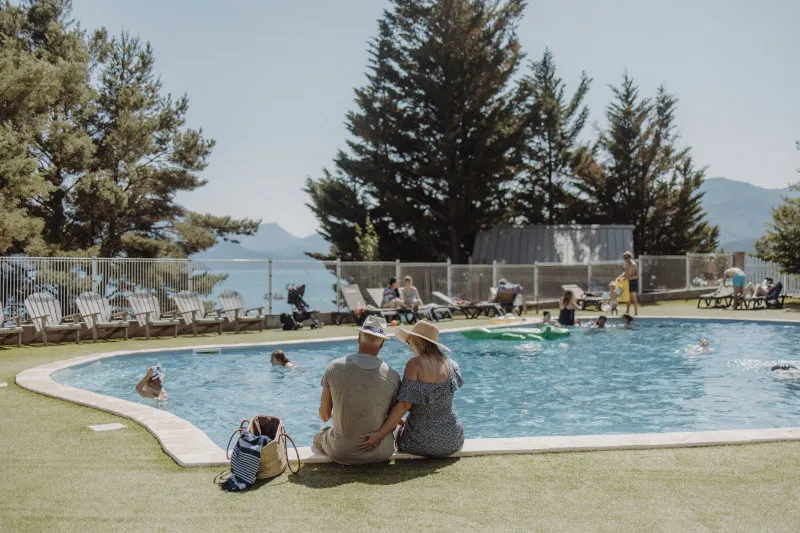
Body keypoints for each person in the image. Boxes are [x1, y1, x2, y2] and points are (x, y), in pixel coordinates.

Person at [359, 321, 464, 458]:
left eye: (409, 342)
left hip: (418, 442)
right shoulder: (453, 365)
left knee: (397, 431)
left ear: (416, 340)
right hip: (452, 440)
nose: (409, 347)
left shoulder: (414, 364)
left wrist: (380, 434)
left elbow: (404, 404)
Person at [314, 316, 401, 465]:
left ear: (359, 338)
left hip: (340, 451)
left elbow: (324, 416)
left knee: (319, 435)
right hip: (381, 452)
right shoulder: (393, 375)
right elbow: (393, 418)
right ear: (381, 345)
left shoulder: (334, 367)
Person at [618, 252, 639, 316]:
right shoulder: (627, 264)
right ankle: (627, 312)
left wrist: (627, 278)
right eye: (624, 258)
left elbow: (636, 276)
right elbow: (625, 273)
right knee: (628, 298)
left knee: (634, 298)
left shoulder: (633, 265)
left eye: (627, 258)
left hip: (633, 282)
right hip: (628, 282)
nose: (626, 259)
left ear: (630, 257)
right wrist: (620, 277)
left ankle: (636, 313)